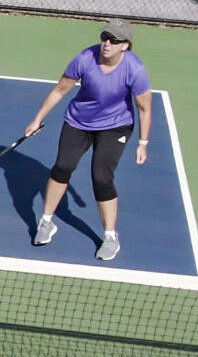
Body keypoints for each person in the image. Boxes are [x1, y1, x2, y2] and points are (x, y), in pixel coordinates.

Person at [24, 18, 152, 261]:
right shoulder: (85, 58)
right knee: (62, 167)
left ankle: (110, 237)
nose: (107, 43)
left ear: (125, 45)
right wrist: (37, 119)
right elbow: (61, 89)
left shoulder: (134, 69)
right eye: (105, 37)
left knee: (101, 178)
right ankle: (47, 222)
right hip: (78, 121)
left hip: (116, 126)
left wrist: (143, 143)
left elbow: (144, 108)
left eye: (114, 40)